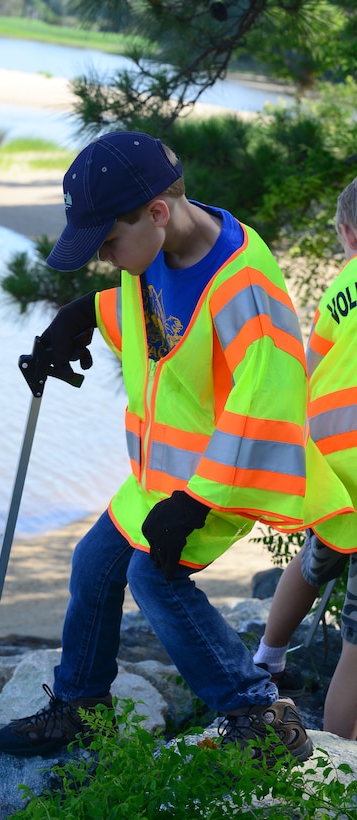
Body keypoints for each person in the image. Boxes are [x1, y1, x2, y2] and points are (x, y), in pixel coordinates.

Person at [0, 131, 352, 762]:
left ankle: (258, 714)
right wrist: (81, 317)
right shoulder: (154, 247)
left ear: (157, 212)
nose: (107, 258)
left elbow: (269, 399)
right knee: (93, 562)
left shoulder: (243, 283)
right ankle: (80, 707)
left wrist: (197, 499)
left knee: (154, 578)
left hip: (226, 470)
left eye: (108, 242)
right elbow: (159, 319)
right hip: (162, 473)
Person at [253, 177, 357, 740]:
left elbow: (311, 370)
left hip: (336, 462)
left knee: (318, 555)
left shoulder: (341, 288)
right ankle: (343, 762)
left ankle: (268, 656)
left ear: (345, 232)